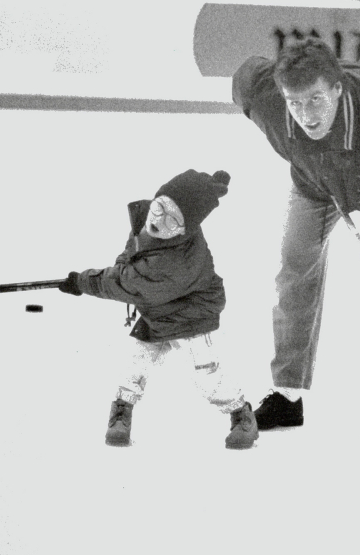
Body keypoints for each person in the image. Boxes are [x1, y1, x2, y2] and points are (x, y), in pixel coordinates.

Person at [232, 37, 360, 442]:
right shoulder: (270, 102)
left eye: (315, 100)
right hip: (316, 179)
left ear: (338, 88)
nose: (306, 116)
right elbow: (245, 77)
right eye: (295, 102)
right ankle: (288, 393)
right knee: (293, 265)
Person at [57, 169, 259, 449]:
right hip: (156, 310)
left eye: (172, 220)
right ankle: (121, 411)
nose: (159, 221)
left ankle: (241, 413)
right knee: (134, 364)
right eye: (160, 207)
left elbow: (125, 282)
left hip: (190, 316)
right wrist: (116, 266)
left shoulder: (176, 262)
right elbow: (129, 259)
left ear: (185, 228)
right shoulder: (150, 219)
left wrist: (82, 282)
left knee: (207, 377)